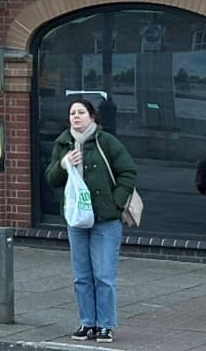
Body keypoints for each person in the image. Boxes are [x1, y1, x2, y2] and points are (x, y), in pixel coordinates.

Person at [45, 97, 137, 343]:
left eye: (81, 112)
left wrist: (116, 203)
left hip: (105, 220)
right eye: (72, 113)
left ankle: (105, 325)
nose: (76, 116)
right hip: (76, 219)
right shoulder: (63, 143)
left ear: (92, 117)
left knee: (104, 275)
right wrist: (63, 165)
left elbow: (128, 171)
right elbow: (51, 179)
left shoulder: (106, 141)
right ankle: (87, 324)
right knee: (82, 276)